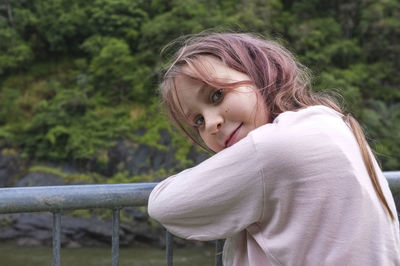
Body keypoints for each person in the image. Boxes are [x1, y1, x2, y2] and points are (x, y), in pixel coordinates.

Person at [147, 32, 400, 265]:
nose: (211, 123)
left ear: (261, 73)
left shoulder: (273, 147)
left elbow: (164, 205)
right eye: (198, 121)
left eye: (217, 95)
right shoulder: (331, 122)